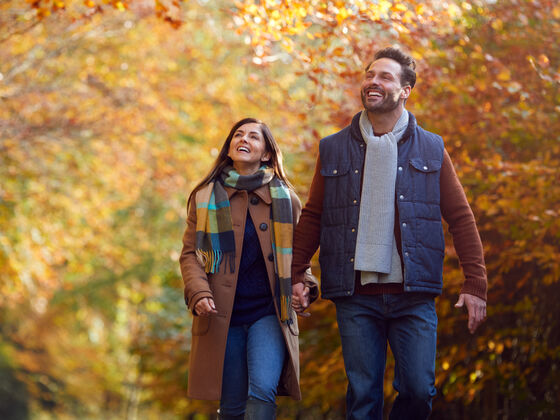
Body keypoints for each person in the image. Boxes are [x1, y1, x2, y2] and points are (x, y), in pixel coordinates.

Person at [291, 47, 488, 419]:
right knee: (363, 398)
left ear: (405, 90)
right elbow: (315, 215)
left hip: (413, 293)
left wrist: (475, 283)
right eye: (369, 75)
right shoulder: (333, 149)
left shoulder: (431, 146)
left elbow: (460, 217)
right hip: (356, 293)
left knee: (418, 391)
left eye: (384, 77)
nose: (373, 82)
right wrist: (296, 274)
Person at [179, 118, 317, 420]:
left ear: (266, 153)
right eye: (238, 135)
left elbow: (299, 257)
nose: (244, 139)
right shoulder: (204, 198)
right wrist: (198, 291)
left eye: (254, 137)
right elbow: (190, 254)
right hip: (221, 315)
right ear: (230, 148)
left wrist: (305, 286)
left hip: (269, 311)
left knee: (263, 389)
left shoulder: (286, 199)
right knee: (231, 406)